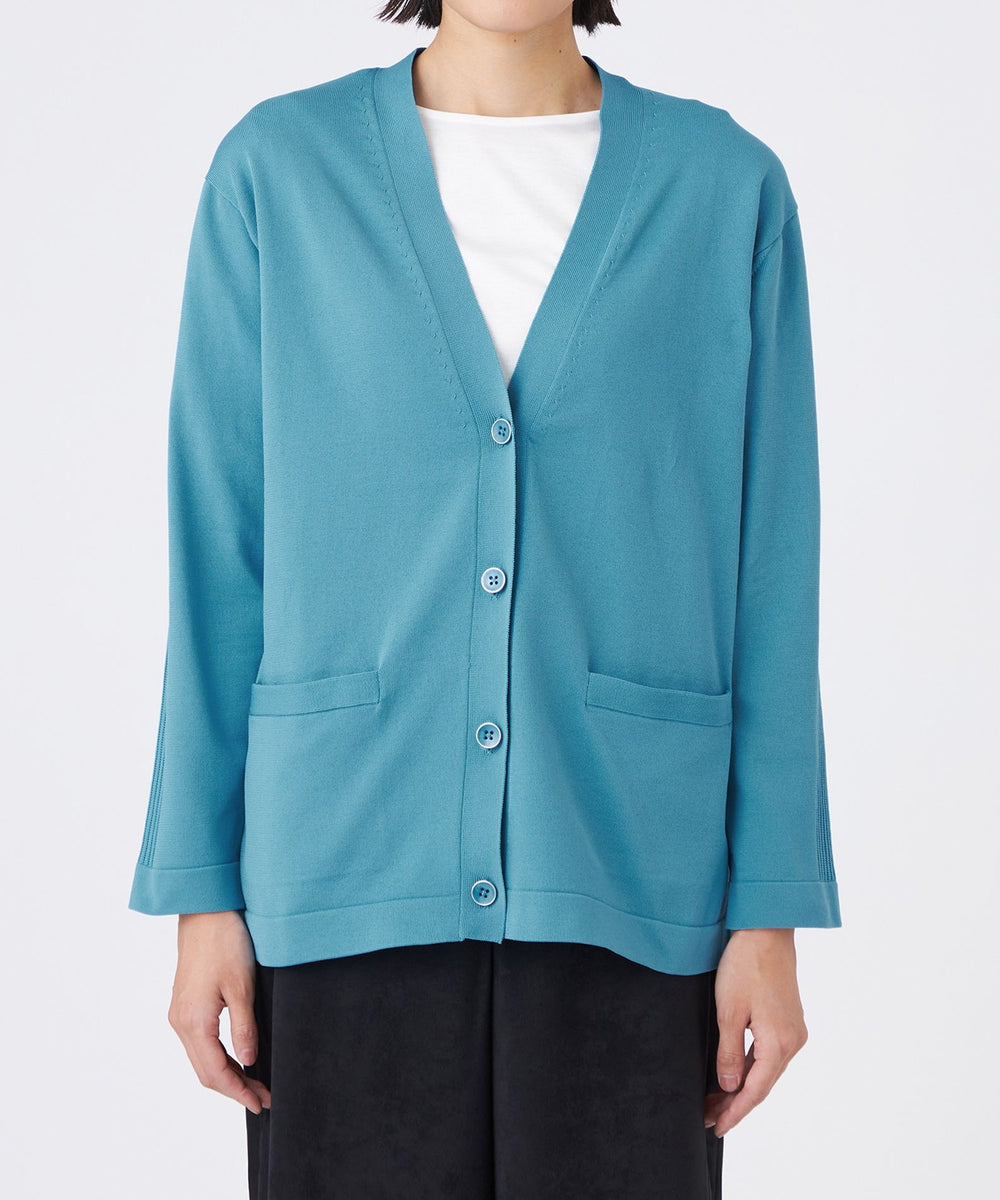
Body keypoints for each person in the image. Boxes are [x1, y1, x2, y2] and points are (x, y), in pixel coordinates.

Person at [127, 2, 843, 1197]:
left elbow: (770, 564)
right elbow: (218, 550)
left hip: (633, 878)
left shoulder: (725, 189)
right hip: (340, 874)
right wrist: (201, 889)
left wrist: (768, 911)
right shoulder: (278, 173)